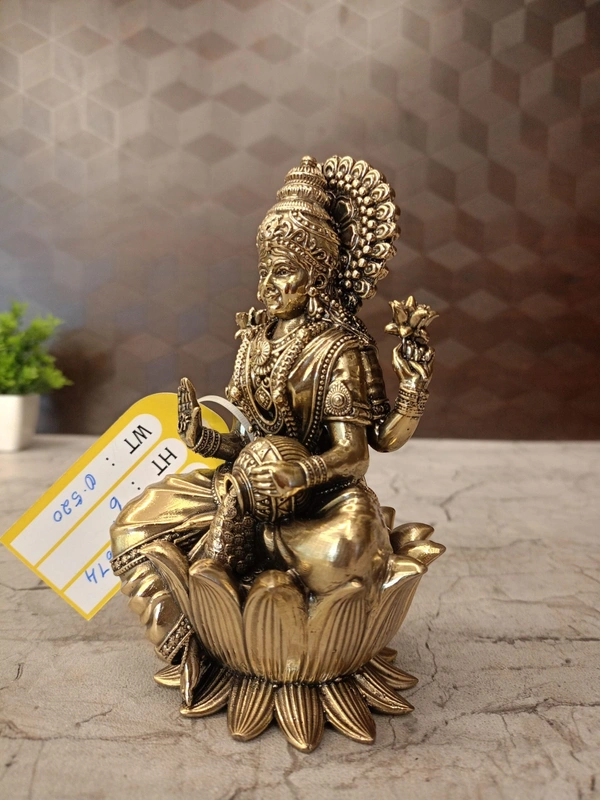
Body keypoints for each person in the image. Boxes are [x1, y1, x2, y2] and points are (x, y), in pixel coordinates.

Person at [110, 155, 435, 693]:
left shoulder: (341, 349)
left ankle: (256, 583)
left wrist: (302, 475)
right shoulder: (255, 340)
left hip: (322, 496)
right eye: (265, 270)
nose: (268, 285)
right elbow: (249, 438)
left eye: (283, 271)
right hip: (248, 485)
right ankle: (195, 644)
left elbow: (357, 453)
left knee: (346, 555)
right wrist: (205, 438)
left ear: (317, 277)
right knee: (135, 522)